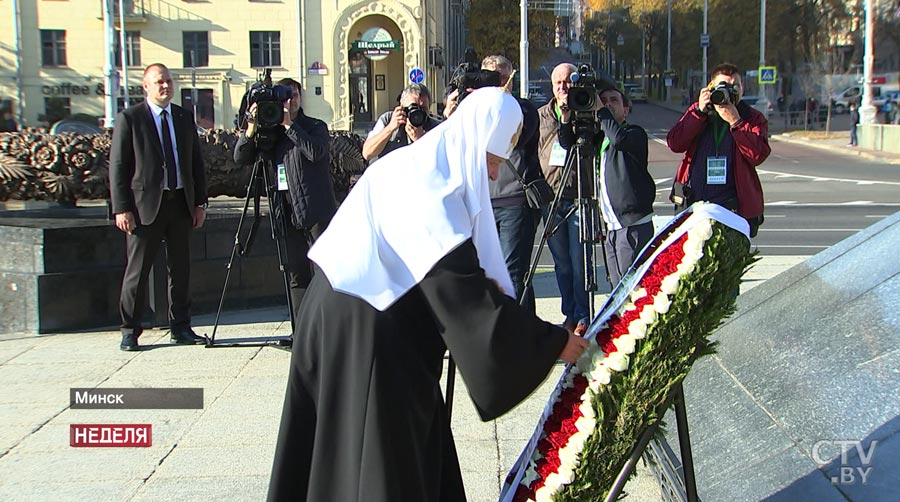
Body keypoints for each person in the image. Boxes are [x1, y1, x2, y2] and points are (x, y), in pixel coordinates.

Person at [267, 87, 589, 502]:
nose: (493, 175)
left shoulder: (419, 163)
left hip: (339, 315)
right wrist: (555, 343)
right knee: (379, 463)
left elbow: (454, 275)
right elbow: (465, 299)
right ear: (474, 144)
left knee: (340, 454)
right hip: (368, 329)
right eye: (491, 161)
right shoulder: (430, 186)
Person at [109, 63, 208, 351]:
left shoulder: (182, 117)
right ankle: (130, 330)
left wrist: (199, 202)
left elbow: (195, 164)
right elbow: (118, 167)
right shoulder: (130, 119)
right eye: (159, 82)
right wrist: (121, 208)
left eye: (167, 81)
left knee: (180, 269)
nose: (165, 86)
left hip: (180, 204)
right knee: (137, 273)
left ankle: (181, 326)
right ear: (146, 87)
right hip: (144, 208)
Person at [444, 54, 544, 311]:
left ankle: (520, 335)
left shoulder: (523, 109)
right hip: (481, 200)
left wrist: (497, 103)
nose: (496, 82)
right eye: (490, 76)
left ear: (511, 77)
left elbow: (515, 140)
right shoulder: (473, 110)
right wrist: (455, 112)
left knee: (512, 271)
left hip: (514, 200)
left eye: (501, 76)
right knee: (483, 271)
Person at [233, 78, 337, 315]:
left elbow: (315, 152)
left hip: (316, 210)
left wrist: (290, 126)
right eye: (285, 97)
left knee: (324, 271)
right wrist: (251, 126)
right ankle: (299, 331)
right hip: (285, 211)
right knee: (295, 273)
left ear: (301, 98)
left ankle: (325, 328)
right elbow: (240, 157)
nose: (290, 101)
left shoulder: (314, 126)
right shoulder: (269, 130)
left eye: (295, 96)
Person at [558, 86, 655, 286]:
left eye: (614, 100)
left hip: (632, 224)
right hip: (612, 226)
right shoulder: (600, 138)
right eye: (603, 100)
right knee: (617, 288)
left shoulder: (634, 133)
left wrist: (601, 110)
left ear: (626, 109)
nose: (608, 104)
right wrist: (566, 118)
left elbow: (619, 139)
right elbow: (568, 144)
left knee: (632, 288)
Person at [666, 62, 770, 237]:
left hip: (733, 205)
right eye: (722, 86)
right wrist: (699, 112)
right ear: (710, 88)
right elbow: (675, 143)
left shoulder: (751, 117)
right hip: (695, 201)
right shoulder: (699, 111)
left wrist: (736, 122)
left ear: (742, 88)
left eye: (734, 86)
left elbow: (758, 154)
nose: (728, 92)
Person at [537, 62, 590, 333]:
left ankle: (583, 315)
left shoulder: (585, 110)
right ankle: (569, 313)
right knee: (562, 264)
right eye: (558, 83)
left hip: (579, 196)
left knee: (579, 260)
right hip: (552, 199)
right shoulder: (541, 116)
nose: (563, 87)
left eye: (568, 81)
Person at [361, 83, 441, 161]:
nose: (418, 114)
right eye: (413, 108)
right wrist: (390, 128)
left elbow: (443, 161)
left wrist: (421, 140)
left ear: (429, 107)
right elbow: (367, 153)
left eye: (423, 108)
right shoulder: (388, 119)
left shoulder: (436, 128)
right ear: (402, 105)